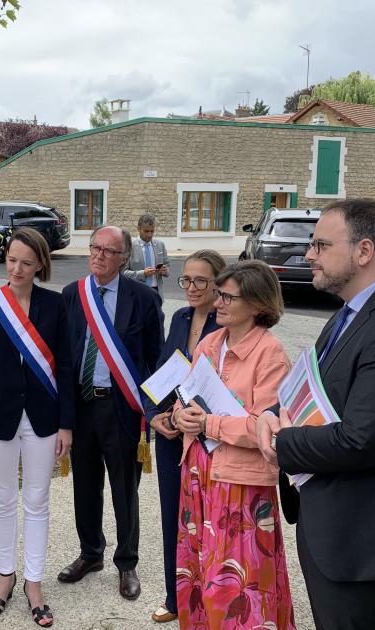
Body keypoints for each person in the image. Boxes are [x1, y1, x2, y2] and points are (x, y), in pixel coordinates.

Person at [256, 198, 375, 630]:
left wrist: (279, 443)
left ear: (363, 251)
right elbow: (312, 389)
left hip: (369, 548)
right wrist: (271, 413)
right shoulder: (352, 311)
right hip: (336, 528)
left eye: (321, 245)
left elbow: (363, 440)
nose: (308, 254)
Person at [172, 260, 296, 629]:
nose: (217, 302)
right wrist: (180, 416)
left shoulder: (270, 354)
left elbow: (266, 427)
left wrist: (210, 423)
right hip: (199, 469)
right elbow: (187, 395)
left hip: (240, 479)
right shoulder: (211, 342)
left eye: (228, 296)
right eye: (219, 294)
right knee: (197, 566)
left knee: (238, 579)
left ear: (257, 305)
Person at [0, 227, 75, 627]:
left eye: (26, 262)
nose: (17, 268)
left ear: (40, 265)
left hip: (44, 418)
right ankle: (5, 575)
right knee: (4, 499)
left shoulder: (54, 303)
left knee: (38, 500)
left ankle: (34, 581)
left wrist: (67, 424)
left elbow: (63, 364)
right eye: (12, 260)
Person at [57, 225, 163, 601]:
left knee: (124, 491)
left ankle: (127, 562)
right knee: (85, 488)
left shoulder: (143, 299)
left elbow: (154, 360)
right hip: (82, 408)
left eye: (108, 251)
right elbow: (64, 357)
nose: (99, 255)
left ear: (123, 258)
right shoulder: (73, 295)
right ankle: (90, 554)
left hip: (121, 410)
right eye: (94, 248)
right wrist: (63, 417)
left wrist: (152, 411)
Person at [144, 249, 226, 624]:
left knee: (210, 521)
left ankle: (210, 596)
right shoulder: (178, 317)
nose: (191, 288)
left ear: (219, 285)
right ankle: (175, 596)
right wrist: (154, 416)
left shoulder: (227, 325)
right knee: (172, 518)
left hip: (209, 439)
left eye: (201, 281)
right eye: (186, 280)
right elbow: (163, 373)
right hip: (171, 435)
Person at [123, 213, 169, 299]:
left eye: (152, 231)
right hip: (137, 293)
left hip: (156, 292)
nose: (149, 235)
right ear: (138, 229)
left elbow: (167, 267)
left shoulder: (160, 245)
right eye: (146, 231)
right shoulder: (129, 246)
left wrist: (164, 271)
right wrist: (143, 273)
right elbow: (123, 273)